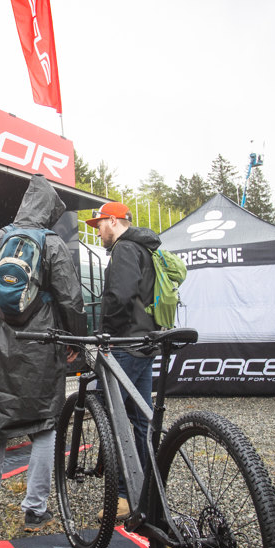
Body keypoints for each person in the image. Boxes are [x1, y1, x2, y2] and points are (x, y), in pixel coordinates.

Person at [0, 174, 85, 531]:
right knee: (45, 424)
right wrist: (76, 341)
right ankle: (35, 510)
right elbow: (71, 299)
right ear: (48, 211)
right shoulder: (53, 244)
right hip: (42, 343)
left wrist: (5, 310)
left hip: (0, 341)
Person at [85, 200, 160, 520]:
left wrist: (106, 334)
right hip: (143, 342)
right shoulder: (143, 247)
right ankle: (148, 492)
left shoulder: (125, 249)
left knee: (111, 417)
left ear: (114, 221)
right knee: (142, 421)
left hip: (125, 344)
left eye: (100, 224)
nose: (98, 231)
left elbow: (120, 296)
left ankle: (124, 497)